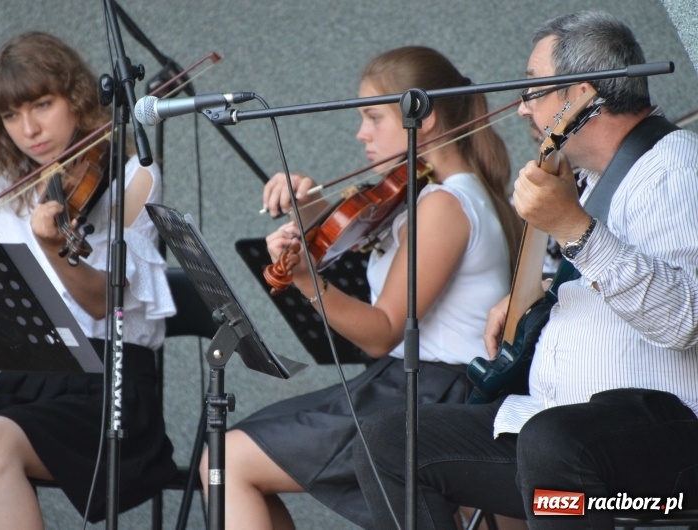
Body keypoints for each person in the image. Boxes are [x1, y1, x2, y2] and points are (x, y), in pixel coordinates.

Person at [354, 11, 698, 530]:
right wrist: (544, 291)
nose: (521, 107)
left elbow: (686, 318)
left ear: (581, 95)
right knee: (388, 441)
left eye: (533, 89)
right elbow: (619, 271)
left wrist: (575, 228)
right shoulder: (590, 181)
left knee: (554, 441)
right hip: (554, 444)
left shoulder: (673, 169)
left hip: (657, 455)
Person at [200, 45, 524, 530]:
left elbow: (383, 331)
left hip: (434, 395)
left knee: (227, 460)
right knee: (229, 457)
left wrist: (306, 278)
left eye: (374, 117)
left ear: (423, 116)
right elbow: (357, 237)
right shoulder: (444, 194)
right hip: (418, 385)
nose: (361, 133)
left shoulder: (443, 205)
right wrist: (313, 208)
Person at [0, 32, 178, 529]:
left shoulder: (132, 176)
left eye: (42, 105)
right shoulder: (9, 188)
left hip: (109, 383)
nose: (29, 129)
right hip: (33, 378)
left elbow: (101, 303)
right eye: (11, 115)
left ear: (76, 98)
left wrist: (55, 249)